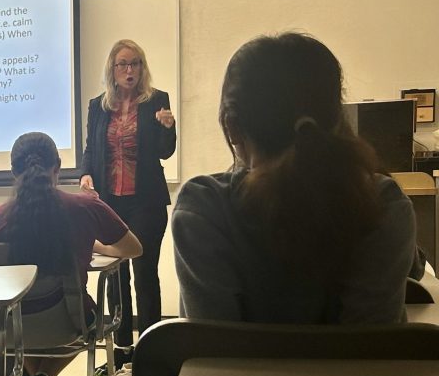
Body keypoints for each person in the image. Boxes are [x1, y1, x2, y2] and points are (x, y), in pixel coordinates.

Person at [173, 32, 415, 324]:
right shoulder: (385, 203)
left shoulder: (201, 208)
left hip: (229, 372)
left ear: (232, 125)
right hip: (358, 372)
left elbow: (210, 357)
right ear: (336, 118)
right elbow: (372, 354)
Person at [0, 132, 142, 376]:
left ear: (13, 172)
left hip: (7, 328)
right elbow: (134, 248)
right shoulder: (86, 208)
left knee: (23, 319)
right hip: (69, 320)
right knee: (77, 324)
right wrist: (98, 246)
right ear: (58, 165)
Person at [80, 39, 176, 349]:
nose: (129, 70)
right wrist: (85, 174)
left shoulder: (156, 100)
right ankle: (121, 349)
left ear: (142, 68)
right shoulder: (98, 105)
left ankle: (151, 348)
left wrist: (168, 127)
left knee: (145, 274)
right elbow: (91, 148)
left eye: (135, 63)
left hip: (146, 202)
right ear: (113, 69)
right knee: (116, 279)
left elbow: (165, 152)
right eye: (123, 64)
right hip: (111, 203)